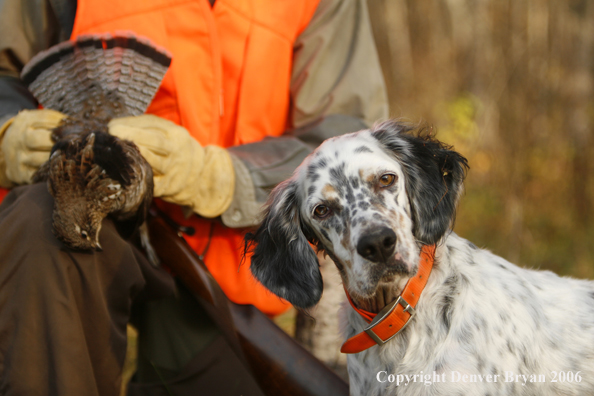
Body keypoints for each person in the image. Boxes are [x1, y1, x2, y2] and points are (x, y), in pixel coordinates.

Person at [0, 0, 388, 394]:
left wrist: (220, 178)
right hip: (79, 228)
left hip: (223, 274)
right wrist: (5, 132)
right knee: (40, 226)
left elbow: (346, 135)